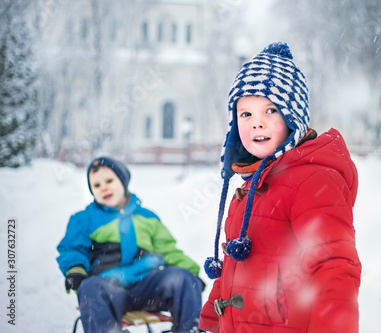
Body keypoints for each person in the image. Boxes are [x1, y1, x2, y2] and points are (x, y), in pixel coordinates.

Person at [199, 42, 361, 333]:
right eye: (245, 114)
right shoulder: (249, 187)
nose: (256, 124)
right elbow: (233, 272)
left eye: (270, 110)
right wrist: (211, 323)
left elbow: (335, 267)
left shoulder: (312, 181)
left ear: (293, 117)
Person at [56, 156, 203, 333]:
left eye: (109, 180)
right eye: (96, 185)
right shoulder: (84, 219)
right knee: (89, 287)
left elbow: (168, 249)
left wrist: (191, 273)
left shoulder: (147, 218)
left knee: (183, 279)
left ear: (123, 181)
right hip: (108, 289)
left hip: (147, 286)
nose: (104, 187)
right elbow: (73, 248)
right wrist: (75, 269)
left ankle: (188, 329)